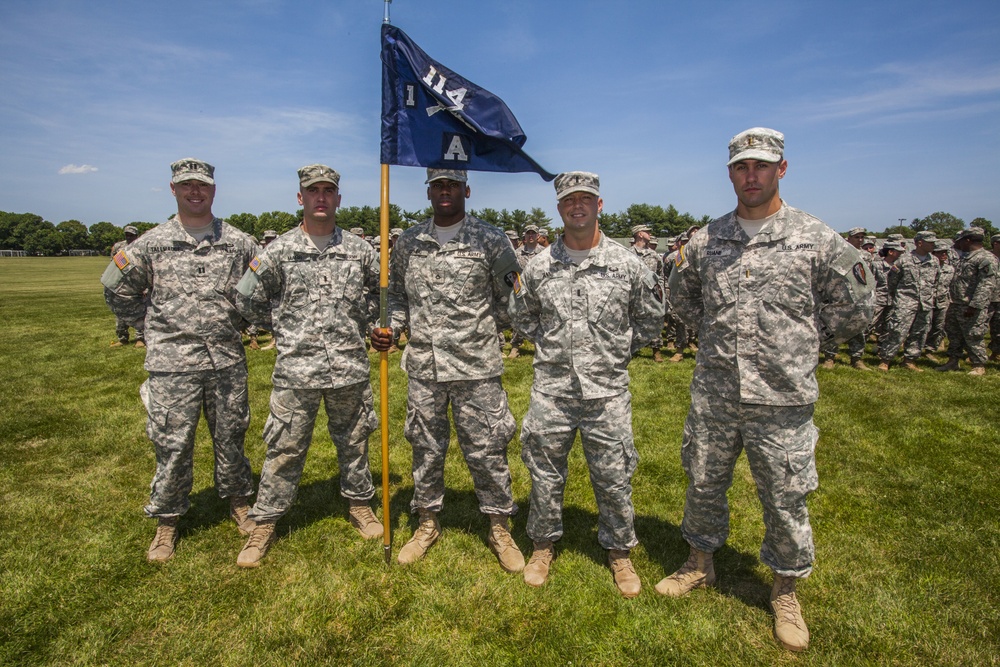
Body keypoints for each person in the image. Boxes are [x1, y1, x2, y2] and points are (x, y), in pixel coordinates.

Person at [661, 128, 873, 652]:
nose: (750, 175)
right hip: (716, 393)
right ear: (730, 173)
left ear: (782, 168)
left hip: (782, 399)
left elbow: (857, 307)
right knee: (704, 482)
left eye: (761, 165)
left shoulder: (814, 238)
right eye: (740, 166)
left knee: (785, 497)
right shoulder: (708, 241)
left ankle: (784, 589)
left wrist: (798, 341)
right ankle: (699, 562)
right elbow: (682, 298)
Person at [509, 172, 663, 597]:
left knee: (614, 475)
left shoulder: (627, 264)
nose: (577, 205)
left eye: (586, 199)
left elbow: (650, 321)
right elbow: (522, 317)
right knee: (544, 473)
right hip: (552, 391)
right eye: (568, 200)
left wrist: (612, 357)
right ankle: (542, 545)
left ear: (600, 205)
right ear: (559, 208)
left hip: (607, 393)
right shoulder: (538, 266)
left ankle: (619, 552)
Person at [101, 158, 258, 562]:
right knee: (171, 442)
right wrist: (152, 326)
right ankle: (167, 520)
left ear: (213, 190)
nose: (195, 192)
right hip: (172, 364)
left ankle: (240, 502)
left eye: (202, 186)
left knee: (231, 437)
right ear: (173, 189)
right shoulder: (150, 243)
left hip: (225, 360)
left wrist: (240, 321)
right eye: (186, 185)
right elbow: (115, 289)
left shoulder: (239, 242)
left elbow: (262, 289)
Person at [371, 169, 524, 572]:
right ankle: (426, 521)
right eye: (437, 185)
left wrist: (490, 334)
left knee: (488, 447)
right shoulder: (408, 241)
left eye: (452, 185)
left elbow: (512, 298)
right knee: (425, 446)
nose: (444, 191)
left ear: (466, 191)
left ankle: (499, 524)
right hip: (425, 366)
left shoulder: (490, 239)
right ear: (428, 191)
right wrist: (393, 327)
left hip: (476, 368)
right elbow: (399, 296)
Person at [232, 165, 383, 567]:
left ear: (338, 198)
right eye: (312, 191)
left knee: (354, 442)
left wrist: (366, 320)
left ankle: (359, 503)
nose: (320, 197)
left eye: (327, 191)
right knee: (284, 447)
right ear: (300, 198)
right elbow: (246, 297)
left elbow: (380, 294)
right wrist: (279, 325)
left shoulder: (359, 250)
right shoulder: (278, 251)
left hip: (348, 366)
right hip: (296, 370)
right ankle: (265, 521)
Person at [936, 227, 997, 376]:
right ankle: (953, 361)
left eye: (961, 241)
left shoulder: (985, 258)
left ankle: (978, 365)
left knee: (973, 335)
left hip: (971, 306)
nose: (959, 244)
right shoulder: (966, 257)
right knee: (954, 334)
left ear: (968, 240)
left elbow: (986, 284)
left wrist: (975, 305)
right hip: (956, 303)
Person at [875, 230, 939, 371]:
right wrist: (899, 297)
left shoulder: (934, 261)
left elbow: (936, 282)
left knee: (919, 333)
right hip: (906, 302)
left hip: (925, 304)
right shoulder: (904, 260)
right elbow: (892, 281)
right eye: (930, 242)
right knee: (897, 331)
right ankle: (885, 359)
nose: (933, 245)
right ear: (919, 243)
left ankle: (909, 360)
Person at [821, 227, 872, 369]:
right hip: (839, 297)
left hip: (859, 296)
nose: (860, 240)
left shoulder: (866, 256)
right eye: (857, 237)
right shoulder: (838, 253)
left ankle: (856, 358)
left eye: (862, 237)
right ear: (849, 238)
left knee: (858, 329)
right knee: (834, 326)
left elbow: (867, 277)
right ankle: (829, 357)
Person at [628, 224, 666, 362]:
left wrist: (661, 293)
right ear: (639, 234)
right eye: (647, 232)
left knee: (654, 320)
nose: (650, 234)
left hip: (651, 295)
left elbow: (661, 276)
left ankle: (656, 351)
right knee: (629, 322)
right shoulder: (627, 254)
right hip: (632, 295)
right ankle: (630, 350)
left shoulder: (655, 255)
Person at [508, 224, 544, 359]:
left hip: (540, 290)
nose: (530, 236)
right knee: (520, 317)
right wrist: (517, 289)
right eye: (528, 234)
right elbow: (513, 272)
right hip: (522, 290)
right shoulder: (517, 253)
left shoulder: (545, 252)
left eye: (533, 234)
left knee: (542, 319)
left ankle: (539, 346)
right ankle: (515, 347)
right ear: (524, 236)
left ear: (538, 236)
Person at [108, 225, 146, 348]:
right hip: (122, 284)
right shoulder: (119, 247)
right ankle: (122, 338)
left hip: (138, 283)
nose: (129, 237)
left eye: (131, 235)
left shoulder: (141, 246)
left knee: (139, 312)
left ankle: (140, 338)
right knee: (121, 312)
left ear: (136, 235)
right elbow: (113, 264)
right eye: (127, 235)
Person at [247, 229, 279, 351]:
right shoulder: (260, 253)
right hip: (261, 287)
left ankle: (274, 340)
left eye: (272, 238)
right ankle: (253, 339)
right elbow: (253, 269)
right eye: (267, 239)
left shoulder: (280, 250)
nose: (269, 241)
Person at [924, 239, 955, 360]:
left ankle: (929, 349)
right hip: (927, 301)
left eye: (945, 253)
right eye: (940, 253)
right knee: (924, 326)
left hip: (942, 302)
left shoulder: (950, 269)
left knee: (938, 327)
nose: (943, 255)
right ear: (933, 254)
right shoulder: (927, 267)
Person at [989, 234, 1000, 363]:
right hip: (987, 298)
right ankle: (974, 354)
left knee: (998, 329)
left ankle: (996, 353)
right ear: (995, 244)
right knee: (978, 329)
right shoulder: (987, 258)